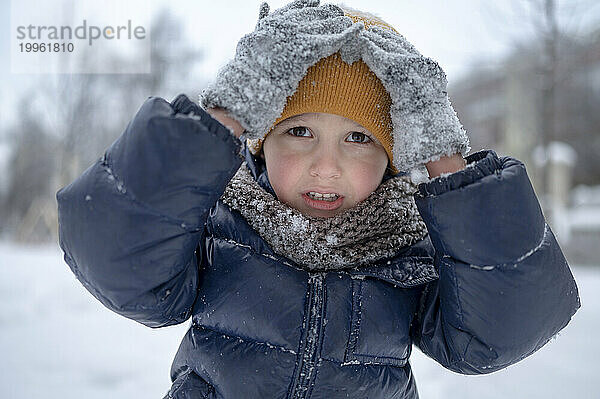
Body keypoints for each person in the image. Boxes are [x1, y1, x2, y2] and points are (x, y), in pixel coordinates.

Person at [56, 1, 581, 398]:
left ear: (395, 156)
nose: (325, 166)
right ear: (262, 141)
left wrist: (446, 157)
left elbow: (502, 333)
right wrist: (226, 113)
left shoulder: (407, 247)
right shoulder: (221, 223)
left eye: (359, 138)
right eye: (299, 131)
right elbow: (118, 259)